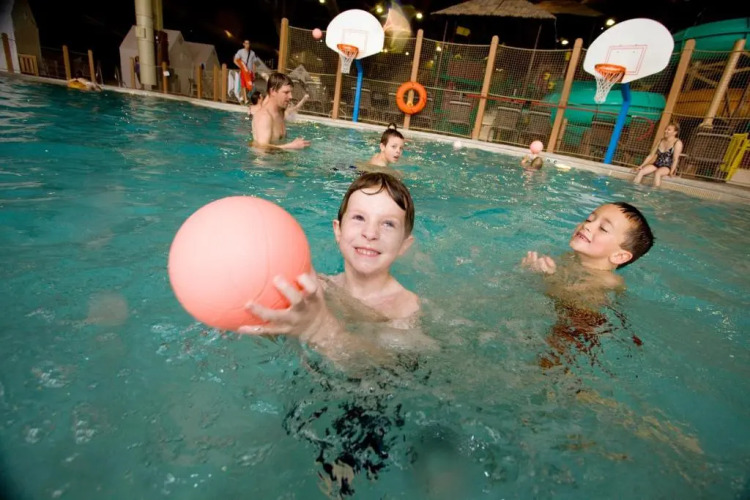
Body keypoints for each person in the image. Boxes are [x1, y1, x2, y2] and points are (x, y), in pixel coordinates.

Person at [238, 172, 430, 361]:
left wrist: (319, 328)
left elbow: (387, 368)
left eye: (388, 224)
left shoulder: (405, 308)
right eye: (359, 218)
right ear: (338, 231)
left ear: (404, 245)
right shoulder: (319, 286)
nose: (370, 233)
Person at [521, 202, 654, 368]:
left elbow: (569, 300)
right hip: (567, 313)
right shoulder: (570, 257)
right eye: (589, 219)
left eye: (603, 228)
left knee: (551, 364)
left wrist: (548, 277)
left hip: (584, 323)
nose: (587, 226)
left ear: (619, 256)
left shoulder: (605, 280)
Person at [251, 72, 310, 149]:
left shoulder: (281, 112)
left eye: (290, 92)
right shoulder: (264, 117)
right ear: (273, 91)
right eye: (286, 92)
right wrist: (292, 146)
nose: (291, 96)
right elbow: (260, 149)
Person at [633, 122, 684, 187]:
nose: (665, 131)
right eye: (665, 129)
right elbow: (651, 155)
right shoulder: (660, 141)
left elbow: (675, 159)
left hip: (667, 167)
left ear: (675, 132)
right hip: (656, 164)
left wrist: (671, 172)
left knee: (657, 173)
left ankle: (655, 191)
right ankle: (634, 187)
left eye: (668, 130)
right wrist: (641, 166)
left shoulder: (677, 143)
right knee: (641, 171)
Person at [233, 39, 259, 104]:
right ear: (243, 44)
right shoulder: (240, 51)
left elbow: (255, 63)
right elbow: (235, 60)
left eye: (248, 43)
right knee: (243, 85)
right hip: (244, 71)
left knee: (249, 86)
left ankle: (243, 97)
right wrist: (241, 67)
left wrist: (254, 72)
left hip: (250, 72)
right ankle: (246, 100)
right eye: (246, 43)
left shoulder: (252, 53)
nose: (247, 45)